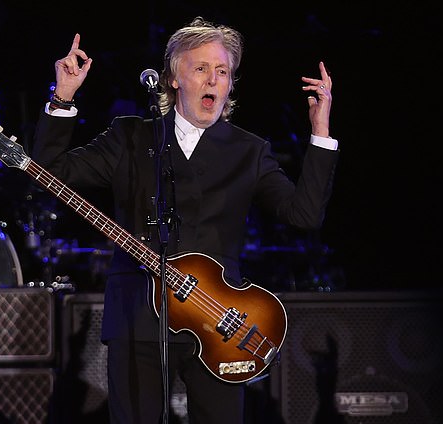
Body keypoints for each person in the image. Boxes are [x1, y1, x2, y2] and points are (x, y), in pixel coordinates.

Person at [31, 16, 339, 423]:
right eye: (201, 68)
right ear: (175, 78)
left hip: (222, 323)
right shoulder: (130, 138)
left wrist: (320, 132)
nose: (214, 79)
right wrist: (63, 99)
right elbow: (49, 175)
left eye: (223, 71)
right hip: (138, 317)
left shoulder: (249, 150)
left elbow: (303, 215)